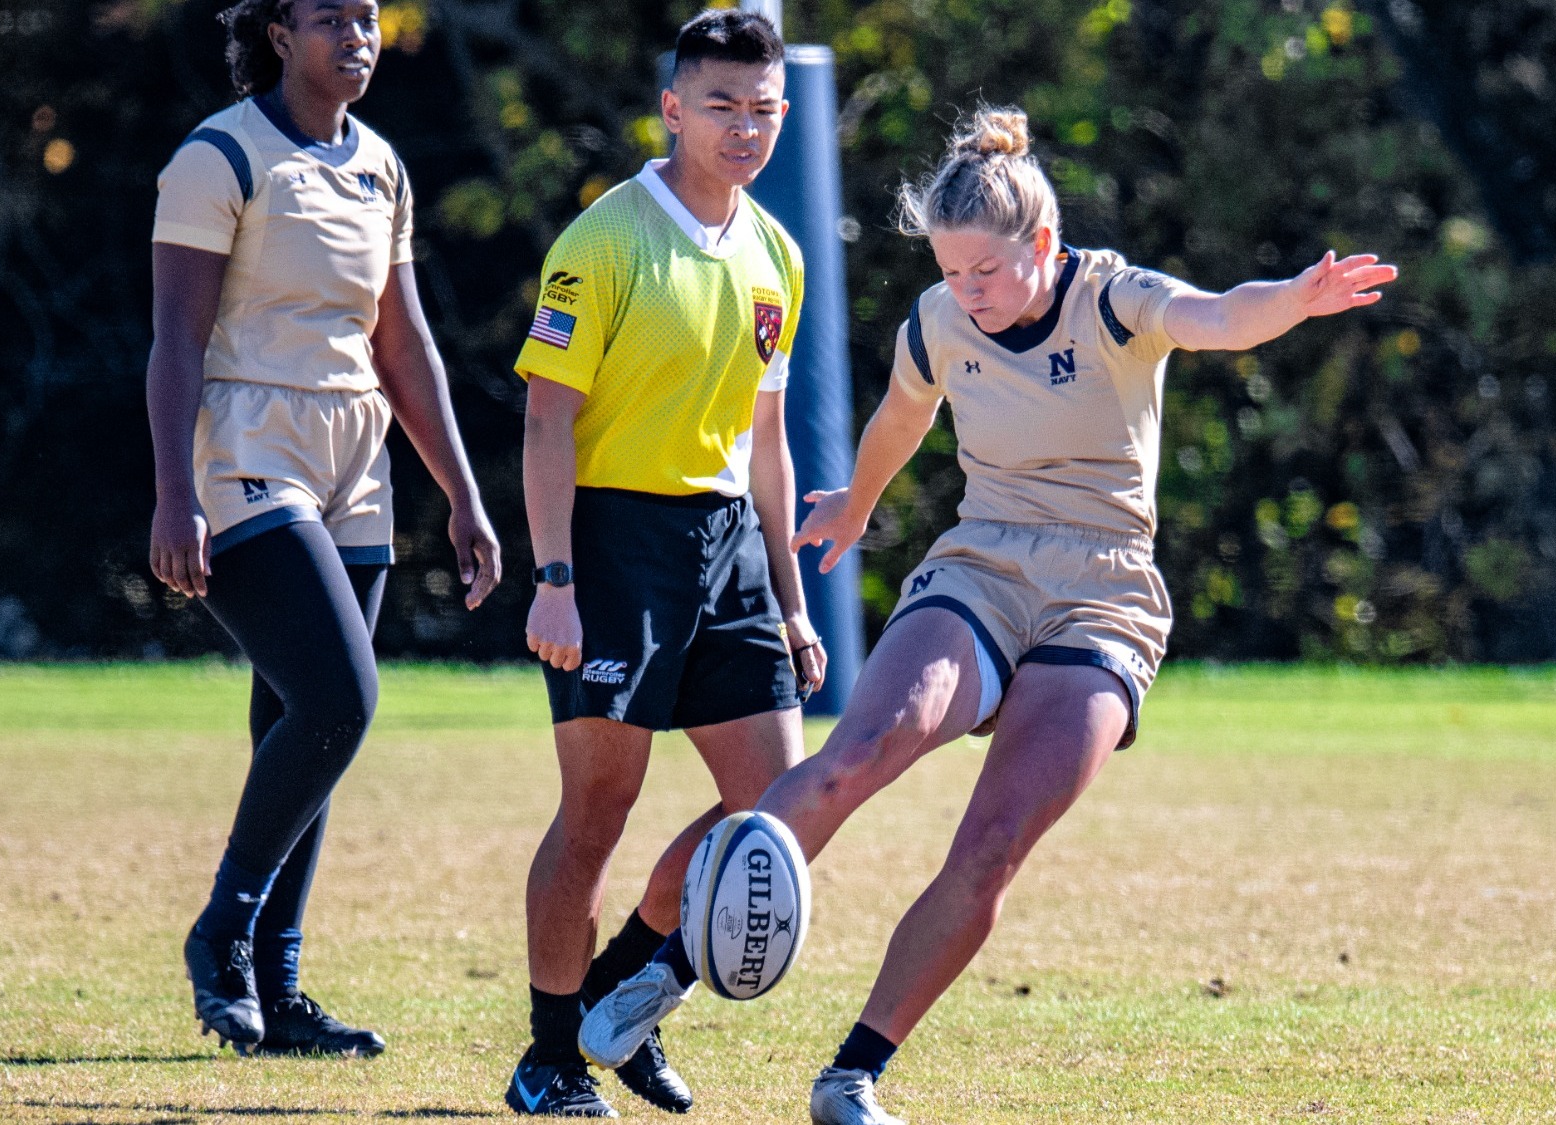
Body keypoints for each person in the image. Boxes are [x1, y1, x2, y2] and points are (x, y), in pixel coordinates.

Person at [578, 106, 1398, 1124]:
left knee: (992, 842)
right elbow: (901, 417)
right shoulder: (935, 320)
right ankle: (663, 976)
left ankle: (850, 1077)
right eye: (950, 272)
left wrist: (1298, 298)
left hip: (1105, 591)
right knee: (858, 752)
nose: (965, 293)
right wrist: (860, 502)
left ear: (1041, 246)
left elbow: (1219, 316)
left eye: (985, 273)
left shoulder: (1109, 299)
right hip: (982, 564)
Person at [148, 0, 501, 1057]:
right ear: (275, 33)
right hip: (248, 444)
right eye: (328, 19)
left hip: (356, 460)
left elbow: (406, 346)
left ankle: (278, 991)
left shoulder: (381, 166)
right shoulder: (219, 157)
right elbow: (174, 340)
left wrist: (464, 495)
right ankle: (223, 933)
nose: (356, 37)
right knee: (341, 697)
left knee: (294, 729)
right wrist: (175, 494)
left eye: (367, 16)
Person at [502, 9, 828, 1116]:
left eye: (763, 108)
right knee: (598, 810)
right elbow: (546, 422)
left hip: (730, 540)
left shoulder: (777, 256)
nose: (744, 128)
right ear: (673, 110)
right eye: (721, 105)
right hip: (612, 543)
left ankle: (623, 996)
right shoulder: (602, 243)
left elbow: (769, 445)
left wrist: (790, 600)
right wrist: (554, 580)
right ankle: (550, 1059)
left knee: (778, 807)